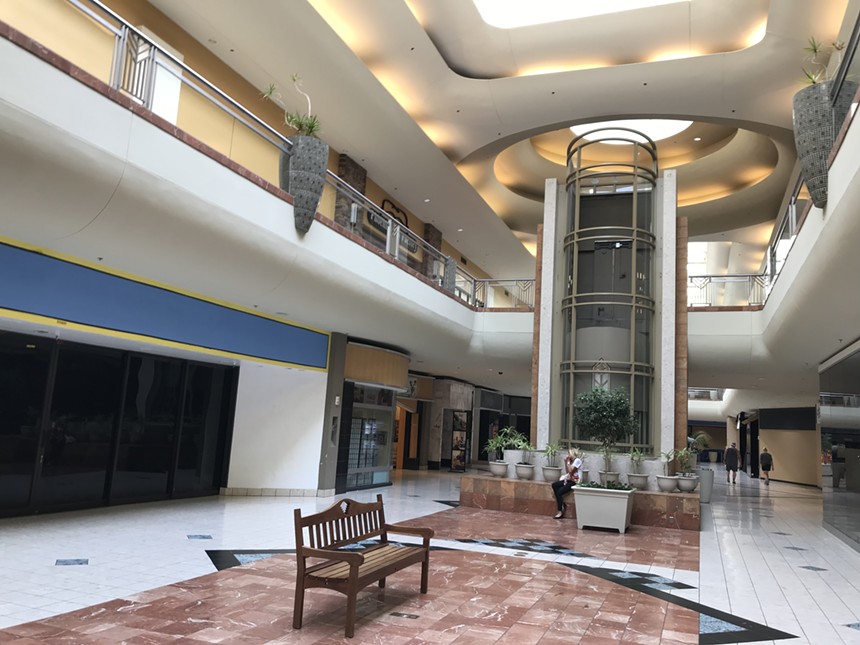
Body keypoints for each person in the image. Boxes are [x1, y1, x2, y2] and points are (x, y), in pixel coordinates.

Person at [551, 453, 582, 519]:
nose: (567, 455)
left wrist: (567, 461)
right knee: (555, 485)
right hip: (570, 479)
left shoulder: (577, 460)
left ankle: (560, 511)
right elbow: (568, 471)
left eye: (569, 453)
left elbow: (571, 470)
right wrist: (566, 462)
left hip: (575, 481)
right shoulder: (571, 461)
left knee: (559, 492)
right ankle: (562, 504)